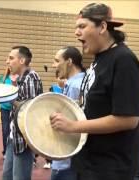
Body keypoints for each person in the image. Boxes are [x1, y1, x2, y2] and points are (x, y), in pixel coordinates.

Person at [50, 3, 139, 180]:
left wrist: (73, 126)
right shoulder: (98, 60)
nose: (76, 33)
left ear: (102, 27)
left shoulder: (123, 60)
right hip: (88, 162)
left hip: (109, 169)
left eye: (82, 26)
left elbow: (128, 119)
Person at [2, 46, 43, 180]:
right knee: (7, 176)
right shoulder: (21, 78)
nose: (7, 61)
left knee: (20, 177)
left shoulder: (31, 76)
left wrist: (7, 96)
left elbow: (28, 108)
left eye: (11, 58)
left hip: (23, 139)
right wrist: (13, 86)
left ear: (22, 60)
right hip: (13, 136)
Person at [50, 46, 85, 180]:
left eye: (57, 61)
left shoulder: (74, 86)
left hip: (66, 159)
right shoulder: (77, 82)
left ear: (69, 62)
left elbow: (70, 123)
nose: (54, 65)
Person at [0, 67, 18, 158]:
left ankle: (15, 149)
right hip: (5, 107)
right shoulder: (3, 78)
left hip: (16, 107)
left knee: (15, 129)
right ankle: (6, 151)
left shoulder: (19, 77)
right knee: (5, 130)